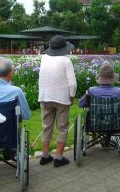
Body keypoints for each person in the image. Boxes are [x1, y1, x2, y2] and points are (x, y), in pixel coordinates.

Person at [38, 35, 77, 167]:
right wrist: (71, 97)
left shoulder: (44, 58)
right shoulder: (66, 61)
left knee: (46, 126)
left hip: (45, 96)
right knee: (62, 127)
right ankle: (59, 157)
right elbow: (72, 84)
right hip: (61, 98)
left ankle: (45, 155)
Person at [78, 63, 120, 145]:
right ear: (112, 78)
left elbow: (80, 104)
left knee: (90, 114)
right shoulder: (119, 91)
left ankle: (94, 137)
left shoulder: (91, 91)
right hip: (114, 125)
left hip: (95, 125)